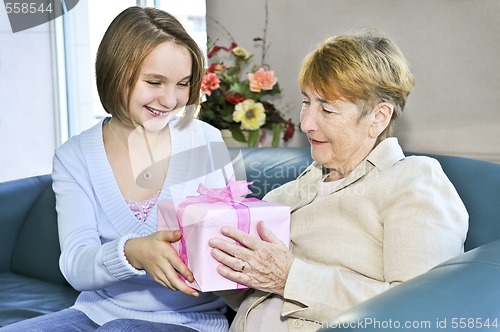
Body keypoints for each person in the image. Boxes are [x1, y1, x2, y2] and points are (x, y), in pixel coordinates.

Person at [209, 30, 469, 331]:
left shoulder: (413, 181)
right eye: (306, 102)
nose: (306, 123)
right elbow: (251, 298)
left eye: (327, 109)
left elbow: (422, 310)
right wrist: (208, 262)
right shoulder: (288, 193)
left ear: (378, 117)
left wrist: (290, 278)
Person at [0, 6, 232, 332]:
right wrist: (132, 252)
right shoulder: (74, 156)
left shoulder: (204, 141)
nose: (170, 100)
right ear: (114, 72)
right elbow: (76, 265)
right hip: (96, 312)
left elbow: (231, 242)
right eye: (154, 82)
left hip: (190, 320)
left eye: (183, 84)